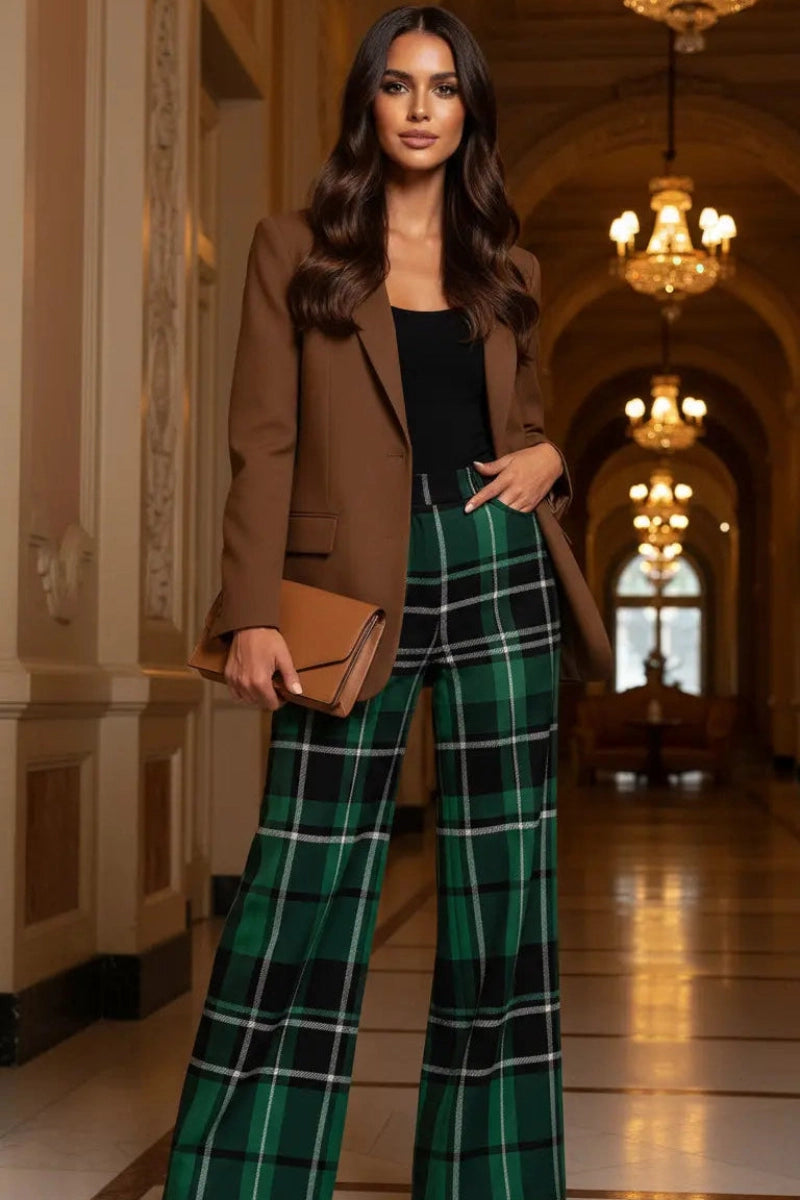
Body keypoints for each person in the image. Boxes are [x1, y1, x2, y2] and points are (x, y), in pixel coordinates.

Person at [164, 6, 609, 1197]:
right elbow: (260, 441)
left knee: (500, 895)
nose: (421, 108)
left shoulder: (509, 269)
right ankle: (246, 1176)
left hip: (498, 568)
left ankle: (492, 1179)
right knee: (304, 881)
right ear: (368, 104)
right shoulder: (292, 249)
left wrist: (549, 459)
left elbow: (523, 423)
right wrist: (251, 607)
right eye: (399, 86)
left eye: (444, 88)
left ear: (471, 114)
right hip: (345, 591)